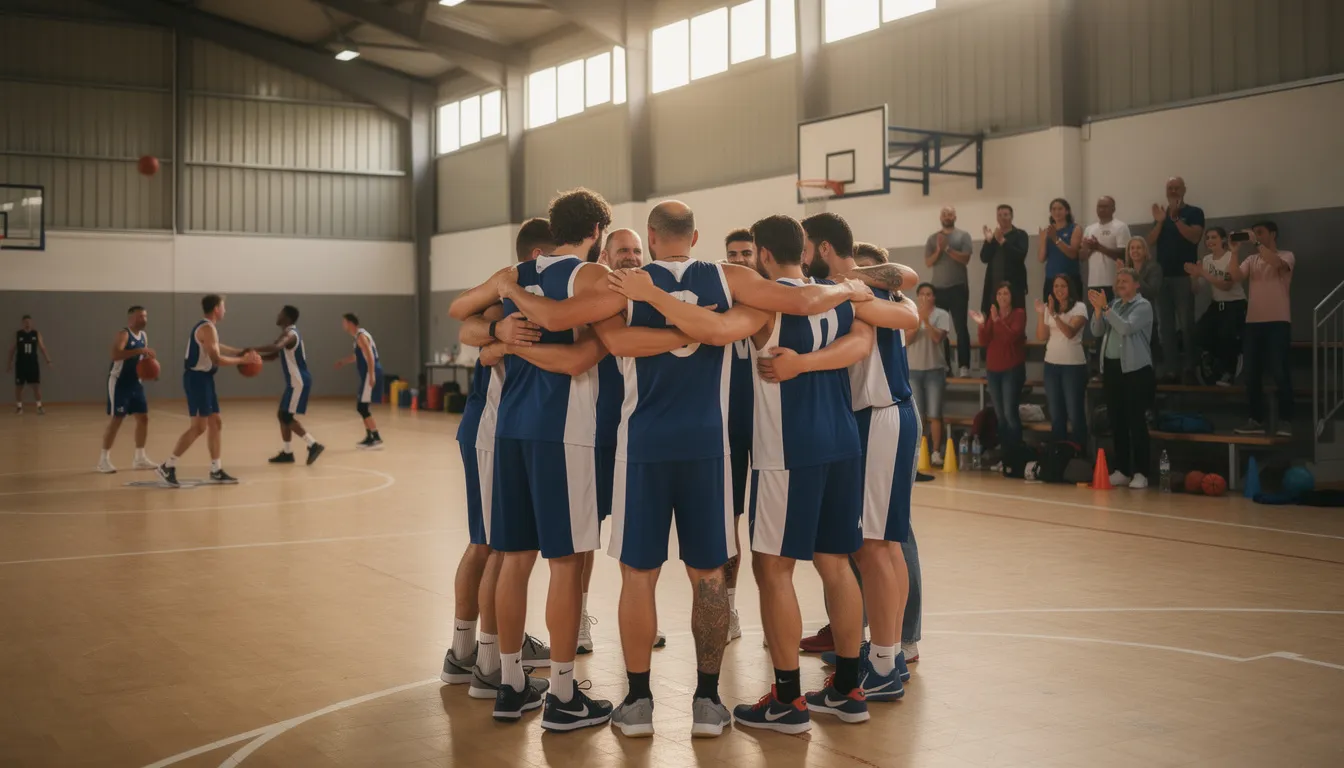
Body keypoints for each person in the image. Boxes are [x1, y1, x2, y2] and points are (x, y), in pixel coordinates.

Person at [508, 200, 875, 738]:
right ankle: (707, 700)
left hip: (643, 447)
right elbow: (793, 301)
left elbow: (612, 342)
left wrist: (505, 317)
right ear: (695, 236)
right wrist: (846, 288)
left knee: (639, 575)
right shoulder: (731, 278)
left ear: (653, 239)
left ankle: (637, 702)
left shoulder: (622, 284)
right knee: (708, 578)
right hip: (711, 446)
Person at [437, 218, 571, 701]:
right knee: (498, 546)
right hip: (493, 429)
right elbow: (464, 318)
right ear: (539, 255)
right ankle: (488, 663)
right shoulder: (512, 290)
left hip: (498, 429)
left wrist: (494, 339)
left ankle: (467, 651)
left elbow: (470, 330)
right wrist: (497, 334)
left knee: (489, 543)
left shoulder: (529, 296)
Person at [794, 212, 922, 705]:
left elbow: (905, 289)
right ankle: (887, 654)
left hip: (881, 416)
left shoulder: (856, 292)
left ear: (823, 247)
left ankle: (886, 662)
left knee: (875, 546)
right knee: (883, 544)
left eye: (806, 247)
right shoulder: (854, 288)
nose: (803, 257)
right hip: (880, 418)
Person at [577, 226, 668, 654]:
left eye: (636, 250)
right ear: (606, 258)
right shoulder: (594, 300)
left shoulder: (654, 298)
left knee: (642, 538)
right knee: (585, 533)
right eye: (622, 251)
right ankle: (577, 616)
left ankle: (644, 617)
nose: (631, 257)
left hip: (644, 433)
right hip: (596, 430)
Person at [156, 295, 260, 487]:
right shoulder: (206, 328)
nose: (225, 310)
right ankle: (167, 465)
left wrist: (238, 351)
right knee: (199, 427)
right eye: (223, 306)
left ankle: (216, 469)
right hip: (196, 380)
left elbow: (215, 347)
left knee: (216, 423)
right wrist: (242, 360)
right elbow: (217, 359)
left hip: (205, 380)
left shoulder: (208, 328)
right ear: (216, 309)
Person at [1090, 268, 1155, 488]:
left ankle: (1142, 472)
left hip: (1135, 370)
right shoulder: (1115, 305)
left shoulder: (1143, 306)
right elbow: (1097, 331)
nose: (1120, 284)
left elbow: (1126, 328)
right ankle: (1122, 469)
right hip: (1112, 369)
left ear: (1137, 284)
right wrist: (1098, 312)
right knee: (1117, 420)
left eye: (1125, 281)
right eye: (1118, 281)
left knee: (1136, 421)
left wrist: (1106, 308)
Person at [721, 227, 756, 645]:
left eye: (746, 252)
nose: (740, 259)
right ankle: (728, 608)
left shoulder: (774, 300)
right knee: (726, 527)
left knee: (768, 534)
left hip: (767, 430)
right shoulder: (718, 305)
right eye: (732, 253)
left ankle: (770, 609)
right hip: (725, 431)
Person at [1230, 221, 1294, 436]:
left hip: (1278, 322)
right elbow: (1234, 278)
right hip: (1253, 324)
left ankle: (1286, 420)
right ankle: (1256, 420)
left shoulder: (1287, 255)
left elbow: (1277, 264)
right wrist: (1233, 253)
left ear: (1272, 234)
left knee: (1279, 371)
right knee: (1251, 374)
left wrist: (1256, 242)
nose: (1254, 236)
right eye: (1254, 233)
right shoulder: (1251, 259)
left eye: (1260, 232)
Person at [1145, 176, 1206, 382]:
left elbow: (1194, 237)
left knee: (1187, 324)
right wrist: (1162, 221)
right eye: (1169, 187)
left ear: (1184, 190)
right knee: (1165, 326)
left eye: (1176, 187)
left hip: (1184, 276)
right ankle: (1171, 370)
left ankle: (1190, 369)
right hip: (1162, 277)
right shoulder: (1160, 216)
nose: (1172, 190)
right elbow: (1150, 242)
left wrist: (1176, 218)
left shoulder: (1194, 212)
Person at [253, 306, 324, 466]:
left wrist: (252, 349)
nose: (277, 315)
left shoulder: (290, 334)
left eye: (281, 313)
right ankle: (287, 452)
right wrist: (255, 359)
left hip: (298, 381)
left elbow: (276, 347)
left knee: (286, 417)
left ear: (288, 318)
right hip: (295, 382)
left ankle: (313, 444)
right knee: (282, 415)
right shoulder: (286, 334)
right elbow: (273, 355)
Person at [98, 306, 157, 473]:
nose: (144, 319)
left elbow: (141, 359)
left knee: (143, 418)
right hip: (119, 382)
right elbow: (116, 355)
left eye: (145, 316)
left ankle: (139, 458)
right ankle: (103, 460)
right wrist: (139, 350)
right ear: (131, 319)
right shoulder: (124, 334)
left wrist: (151, 367)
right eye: (140, 317)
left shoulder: (143, 336)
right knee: (117, 419)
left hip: (135, 382)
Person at [1188, 227, 1247, 387]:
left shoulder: (1230, 257)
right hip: (1217, 305)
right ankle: (1211, 363)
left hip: (1234, 304)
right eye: (1207, 238)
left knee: (1226, 335)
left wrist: (1204, 273)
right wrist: (1194, 277)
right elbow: (1196, 290)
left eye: (1214, 237)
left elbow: (1226, 286)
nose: (1210, 241)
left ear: (1222, 240)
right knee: (1198, 333)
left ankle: (1230, 370)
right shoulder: (1206, 260)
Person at [972, 283, 1027, 450]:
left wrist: (997, 321)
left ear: (1012, 297)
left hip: (1012, 369)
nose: (1002, 297)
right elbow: (984, 341)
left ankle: (1016, 452)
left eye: (1006, 294)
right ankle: (1005, 454)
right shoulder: (992, 314)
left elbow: (1011, 337)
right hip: (993, 370)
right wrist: (982, 324)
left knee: (1010, 413)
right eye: (999, 294)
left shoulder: (1019, 314)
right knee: (1000, 415)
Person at [1036, 274, 1089, 447]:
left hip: (1073, 366)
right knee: (1056, 414)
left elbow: (1070, 332)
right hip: (1051, 364)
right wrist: (1041, 314)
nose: (1059, 290)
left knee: (1074, 413)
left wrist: (1054, 315)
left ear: (1070, 288)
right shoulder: (1049, 307)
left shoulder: (1079, 307)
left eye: (1063, 286)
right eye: (1056, 286)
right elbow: (1042, 336)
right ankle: (1058, 456)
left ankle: (1080, 455)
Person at [1081, 196, 1131, 377]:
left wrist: (1098, 247)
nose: (1101, 209)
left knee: (1114, 325)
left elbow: (1123, 254)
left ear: (1113, 208)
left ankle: (1117, 365)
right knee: (1097, 326)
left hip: (1114, 284)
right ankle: (1098, 368)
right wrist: (1087, 248)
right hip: (1094, 283)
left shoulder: (1120, 227)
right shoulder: (1090, 229)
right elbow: (1082, 256)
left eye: (1105, 206)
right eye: (1099, 206)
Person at [906, 284, 952, 465]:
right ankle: (917, 452)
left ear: (934, 297)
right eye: (923, 294)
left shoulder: (942, 315)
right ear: (918, 297)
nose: (926, 297)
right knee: (917, 414)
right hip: (913, 370)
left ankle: (935, 452)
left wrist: (926, 321)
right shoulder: (910, 313)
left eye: (929, 294)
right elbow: (907, 339)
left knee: (934, 413)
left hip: (935, 369)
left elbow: (937, 338)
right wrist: (919, 320)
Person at [925, 206, 973, 376]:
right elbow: (928, 262)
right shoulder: (932, 239)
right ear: (940, 217)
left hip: (958, 287)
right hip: (938, 289)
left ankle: (964, 366)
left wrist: (948, 249)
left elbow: (965, 258)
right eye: (944, 213)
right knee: (941, 329)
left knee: (961, 327)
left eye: (950, 213)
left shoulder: (963, 236)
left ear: (955, 216)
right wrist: (939, 250)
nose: (947, 216)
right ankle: (945, 365)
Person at [336, 316, 384, 449]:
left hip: (371, 372)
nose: (343, 325)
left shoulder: (361, 336)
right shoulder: (358, 337)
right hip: (368, 373)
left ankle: (376, 437)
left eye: (344, 322)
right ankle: (370, 436)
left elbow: (370, 355)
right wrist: (343, 362)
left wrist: (372, 374)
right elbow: (359, 356)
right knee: (363, 406)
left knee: (362, 407)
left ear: (351, 323)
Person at [979, 204, 1029, 317]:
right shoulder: (993, 236)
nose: (1002, 218)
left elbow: (1020, 255)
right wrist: (989, 241)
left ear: (1011, 216)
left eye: (1006, 215)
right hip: (994, 286)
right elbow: (984, 258)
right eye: (1000, 215)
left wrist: (1002, 241)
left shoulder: (1021, 235)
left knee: (1016, 319)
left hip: (1014, 285)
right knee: (992, 320)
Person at [1037, 198, 1083, 300]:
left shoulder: (1075, 228)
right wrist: (1043, 240)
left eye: (1060, 209)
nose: (1056, 212)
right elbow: (1041, 258)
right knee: (1050, 312)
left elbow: (1073, 254)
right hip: (1051, 279)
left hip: (1070, 278)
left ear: (1066, 211)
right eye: (1053, 209)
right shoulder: (1048, 230)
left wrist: (1056, 239)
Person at [9, 315, 52, 415]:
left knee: (36, 386)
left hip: (32, 364)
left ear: (31, 323)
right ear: (22, 323)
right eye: (25, 322)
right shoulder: (18, 334)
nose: (27, 323)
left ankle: (39, 406)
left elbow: (42, 348)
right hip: (21, 364)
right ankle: (19, 407)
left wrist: (48, 361)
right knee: (19, 387)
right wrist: (10, 362)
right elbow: (12, 349)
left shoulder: (36, 334)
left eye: (29, 322)